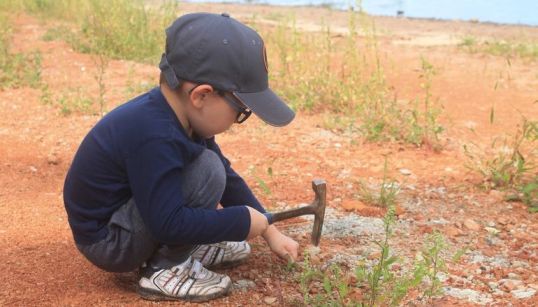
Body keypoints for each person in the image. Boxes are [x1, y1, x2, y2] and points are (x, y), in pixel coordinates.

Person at [63, 12, 299, 302]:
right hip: (109, 241)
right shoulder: (153, 133)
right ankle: (166, 269)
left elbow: (228, 180)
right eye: (241, 111)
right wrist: (239, 221)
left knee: (213, 168)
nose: (240, 118)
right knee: (208, 169)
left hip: (130, 215)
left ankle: (183, 248)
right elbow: (167, 223)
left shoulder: (181, 116)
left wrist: (268, 229)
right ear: (201, 95)